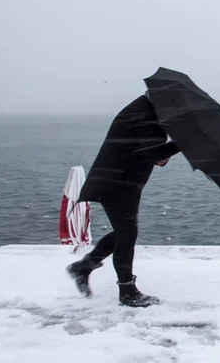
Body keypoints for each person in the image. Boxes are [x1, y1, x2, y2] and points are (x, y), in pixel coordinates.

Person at [66, 92, 180, 308]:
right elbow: (151, 151)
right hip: (116, 182)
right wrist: (183, 142)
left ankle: (83, 267)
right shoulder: (142, 114)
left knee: (124, 232)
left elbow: (146, 151)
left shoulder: (146, 110)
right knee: (127, 234)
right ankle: (127, 291)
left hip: (121, 180)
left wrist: (161, 157)